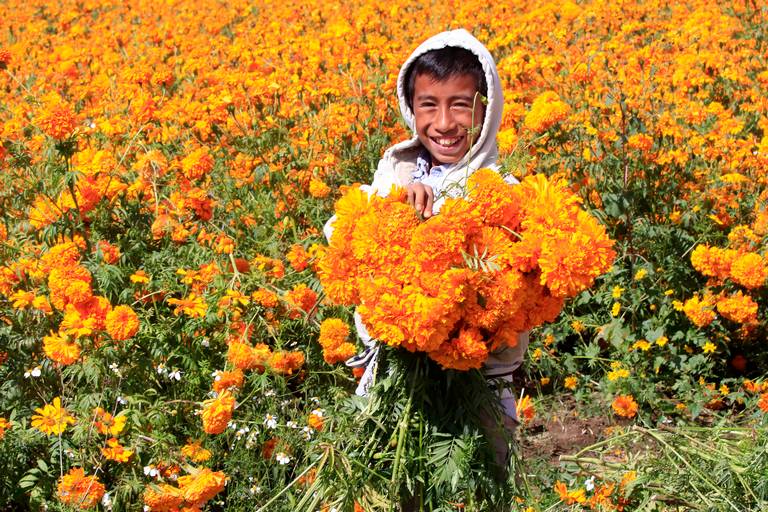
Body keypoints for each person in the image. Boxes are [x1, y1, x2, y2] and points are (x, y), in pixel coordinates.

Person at [324, 29, 528, 468]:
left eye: (460, 105)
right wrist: (395, 210)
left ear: (486, 109)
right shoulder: (395, 173)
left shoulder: (503, 191)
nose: (444, 123)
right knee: (391, 469)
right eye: (428, 106)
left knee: (478, 471)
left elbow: (514, 278)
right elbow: (343, 233)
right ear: (410, 108)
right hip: (396, 365)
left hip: (476, 375)